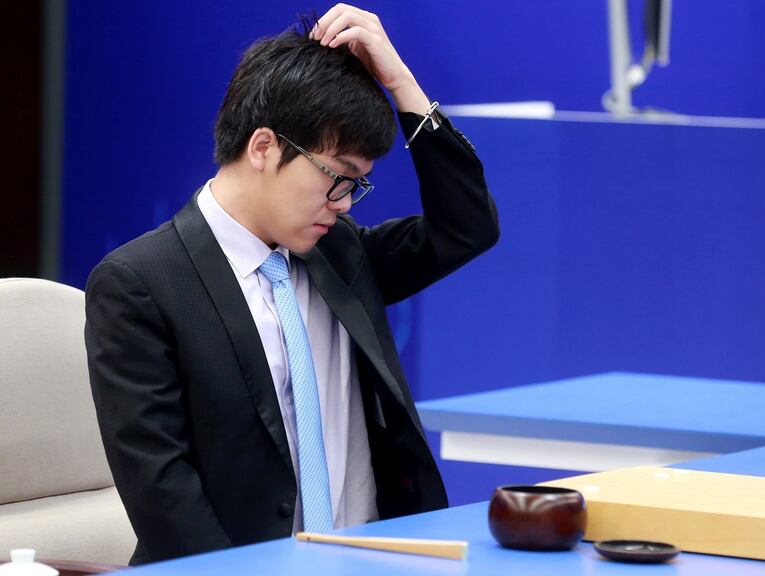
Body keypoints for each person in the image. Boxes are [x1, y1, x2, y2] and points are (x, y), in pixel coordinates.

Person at [84, 4, 498, 565]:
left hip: (367, 556)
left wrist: (400, 80)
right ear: (263, 147)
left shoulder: (341, 253)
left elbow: (466, 227)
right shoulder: (141, 284)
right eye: (338, 178)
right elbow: (163, 493)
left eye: (358, 186)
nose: (345, 203)